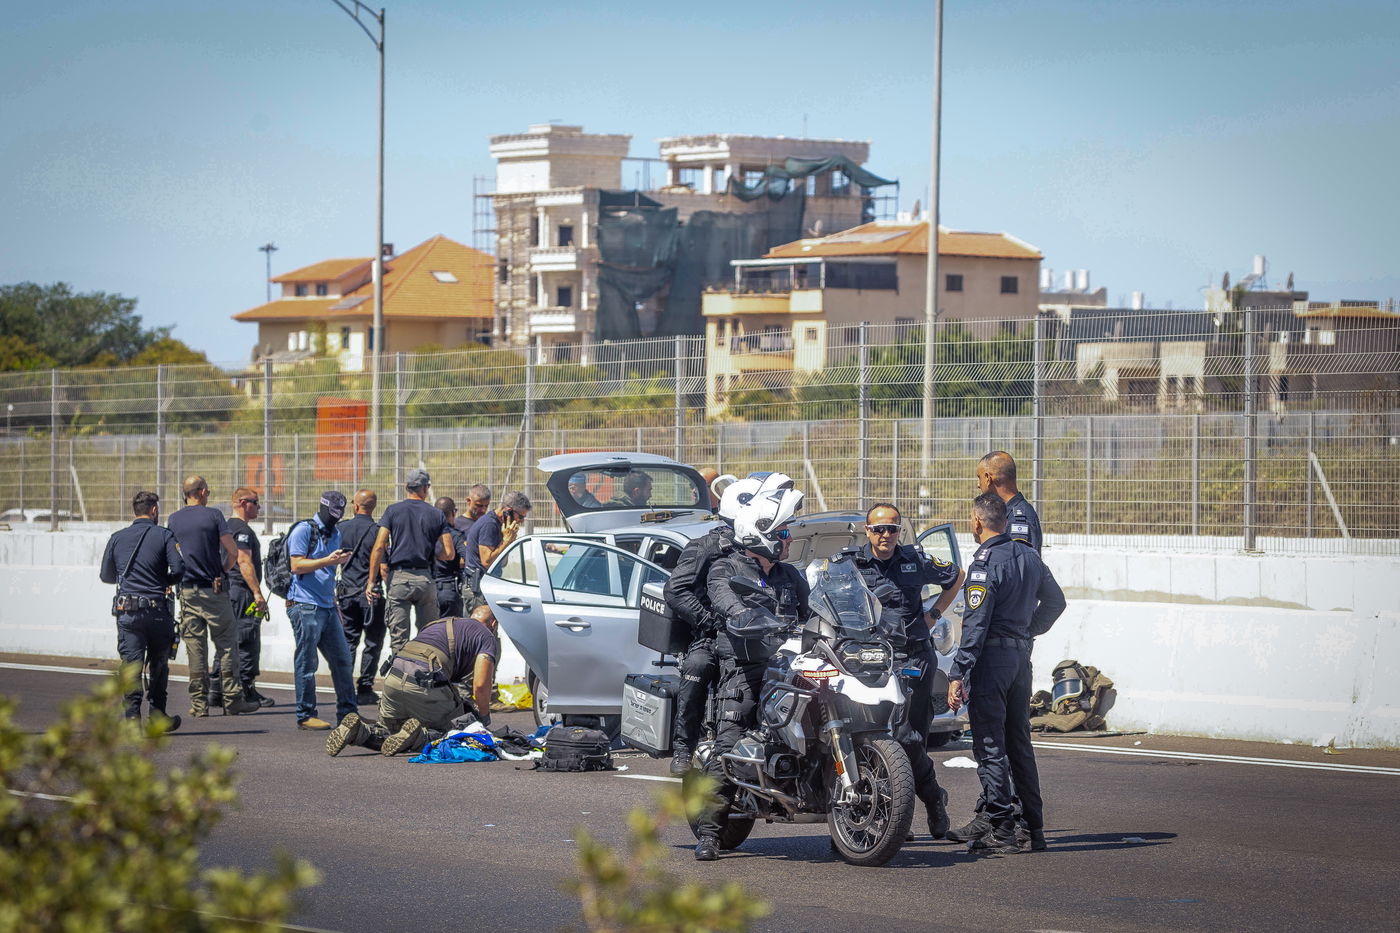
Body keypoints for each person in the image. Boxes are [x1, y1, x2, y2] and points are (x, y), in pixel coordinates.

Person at [945, 492, 1066, 853]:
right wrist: (1027, 630)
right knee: (1019, 744)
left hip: (992, 661)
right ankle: (1034, 828)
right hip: (1020, 660)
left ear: (977, 522)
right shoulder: (1029, 556)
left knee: (990, 746)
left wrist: (958, 671)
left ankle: (1002, 830)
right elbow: (1056, 602)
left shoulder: (984, 563)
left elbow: (976, 625)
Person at [695, 481, 808, 862]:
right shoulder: (725, 568)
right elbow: (724, 599)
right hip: (746, 667)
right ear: (763, 536)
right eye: (783, 533)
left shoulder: (790, 576)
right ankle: (710, 833)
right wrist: (743, 614)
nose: (789, 539)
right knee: (729, 745)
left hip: (789, 663)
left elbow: (813, 614)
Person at [839, 502, 965, 839]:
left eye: (892, 529)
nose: (886, 535)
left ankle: (932, 799)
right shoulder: (850, 564)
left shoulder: (915, 559)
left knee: (908, 739)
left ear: (899, 531)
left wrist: (934, 614)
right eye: (879, 529)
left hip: (913, 659)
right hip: (868, 662)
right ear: (867, 531)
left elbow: (957, 576)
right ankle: (891, 816)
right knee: (867, 738)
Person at [662, 472, 780, 775]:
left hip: (757, 634)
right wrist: (710, 621)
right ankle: (684, 748)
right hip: (712, 633)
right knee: (698, 667)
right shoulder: (707, 546)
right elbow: (676, 590)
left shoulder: (765, 544)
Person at [324, 605, 500, 758]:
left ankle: (359, 732)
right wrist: (483, 718)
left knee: (390, 731)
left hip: (393, 679)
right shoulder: (486, 635)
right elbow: (480, 685)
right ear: (493, 624)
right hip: (425, 685)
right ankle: (419, 738)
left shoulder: (439, 624)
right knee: (458, 732)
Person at [167, 475, 257, 717]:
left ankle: (199, 705)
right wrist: (222, 571)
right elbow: (233, 551)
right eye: (207, 491)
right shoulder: (214, 515)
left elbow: (172, 556)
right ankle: (232, 700)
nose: (208, 494)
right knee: (227, 645)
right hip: (214, 589)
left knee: (195, 649)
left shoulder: (173, 519)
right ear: (201, 491)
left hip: (187, 591)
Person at [99, 490, 184, 729]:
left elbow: (106, 576)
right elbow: (179, 569)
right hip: (157, 612)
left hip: (128, 613)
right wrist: (162, 581)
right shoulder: (164, 535)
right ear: (154, 510)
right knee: (159, 665)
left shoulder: (117, 537)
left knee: (131, 666)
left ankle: (132, 721)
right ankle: (157, 716)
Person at [286, 491, 358, 731]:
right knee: (307, 662)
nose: (335, 518)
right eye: (332, 513)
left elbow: (327, 574)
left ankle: (348, 714)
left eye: (339, 514)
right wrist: (329, 560)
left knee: (343, 660)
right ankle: (305, 714)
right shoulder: (304, 530)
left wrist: (334, 602)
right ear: (323, 507)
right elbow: (296, 565)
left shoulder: (336, 533)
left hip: (327, 606)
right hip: (304, 604)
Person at [367, 469, 455, 657]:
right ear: (425, 488)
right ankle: (424, 674)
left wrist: (371, 581)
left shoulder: (392, 511)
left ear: (406, 487)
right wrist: (432, 552)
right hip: (425, 579)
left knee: (399, 640)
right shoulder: (436, 514)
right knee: (429, 637)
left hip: (399, 579)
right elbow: (449, 553)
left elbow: (379, 546)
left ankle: (400, 673)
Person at [211, 487, 274, 708]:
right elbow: (244, 561)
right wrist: (257, 593)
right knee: (247, 638)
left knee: (227, 640)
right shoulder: (241, 530)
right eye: (255, 503)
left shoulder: (225, 527)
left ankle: (216, 689)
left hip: (228, 591)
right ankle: (246, 690)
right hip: (242, 593)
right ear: (242, 503)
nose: (259, 507)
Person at [336, 488, 387, 705]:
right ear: (373, 507)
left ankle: (345, 687)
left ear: (355, 506)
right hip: (371, 594)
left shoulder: (341, 529)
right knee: (373, 642)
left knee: (348, 640)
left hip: (347, 594)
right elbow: (384, 566)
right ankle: (365, 688)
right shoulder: (379, 531)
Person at [977, 451, 1043, 553]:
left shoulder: (1018, 520)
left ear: (988, 478)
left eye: (979, 477)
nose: (978, 484)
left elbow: (1018, 561)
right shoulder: (1006, 513)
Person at [464, 490, 529, 589]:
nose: (521, 521)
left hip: (488, 584)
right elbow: (487, 562)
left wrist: (510, 539)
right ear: (508, 511)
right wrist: (506, 541)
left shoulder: (499, 525)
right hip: (479, 587)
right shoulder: (489, 525)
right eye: (520, 517)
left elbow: (502, 562)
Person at [431, 496, 471, 618]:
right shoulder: (455, 535)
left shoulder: (426, 533)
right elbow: (467, 558)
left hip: (428, 591)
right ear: (453, 512)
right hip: (448, 591)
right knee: (450, 628)